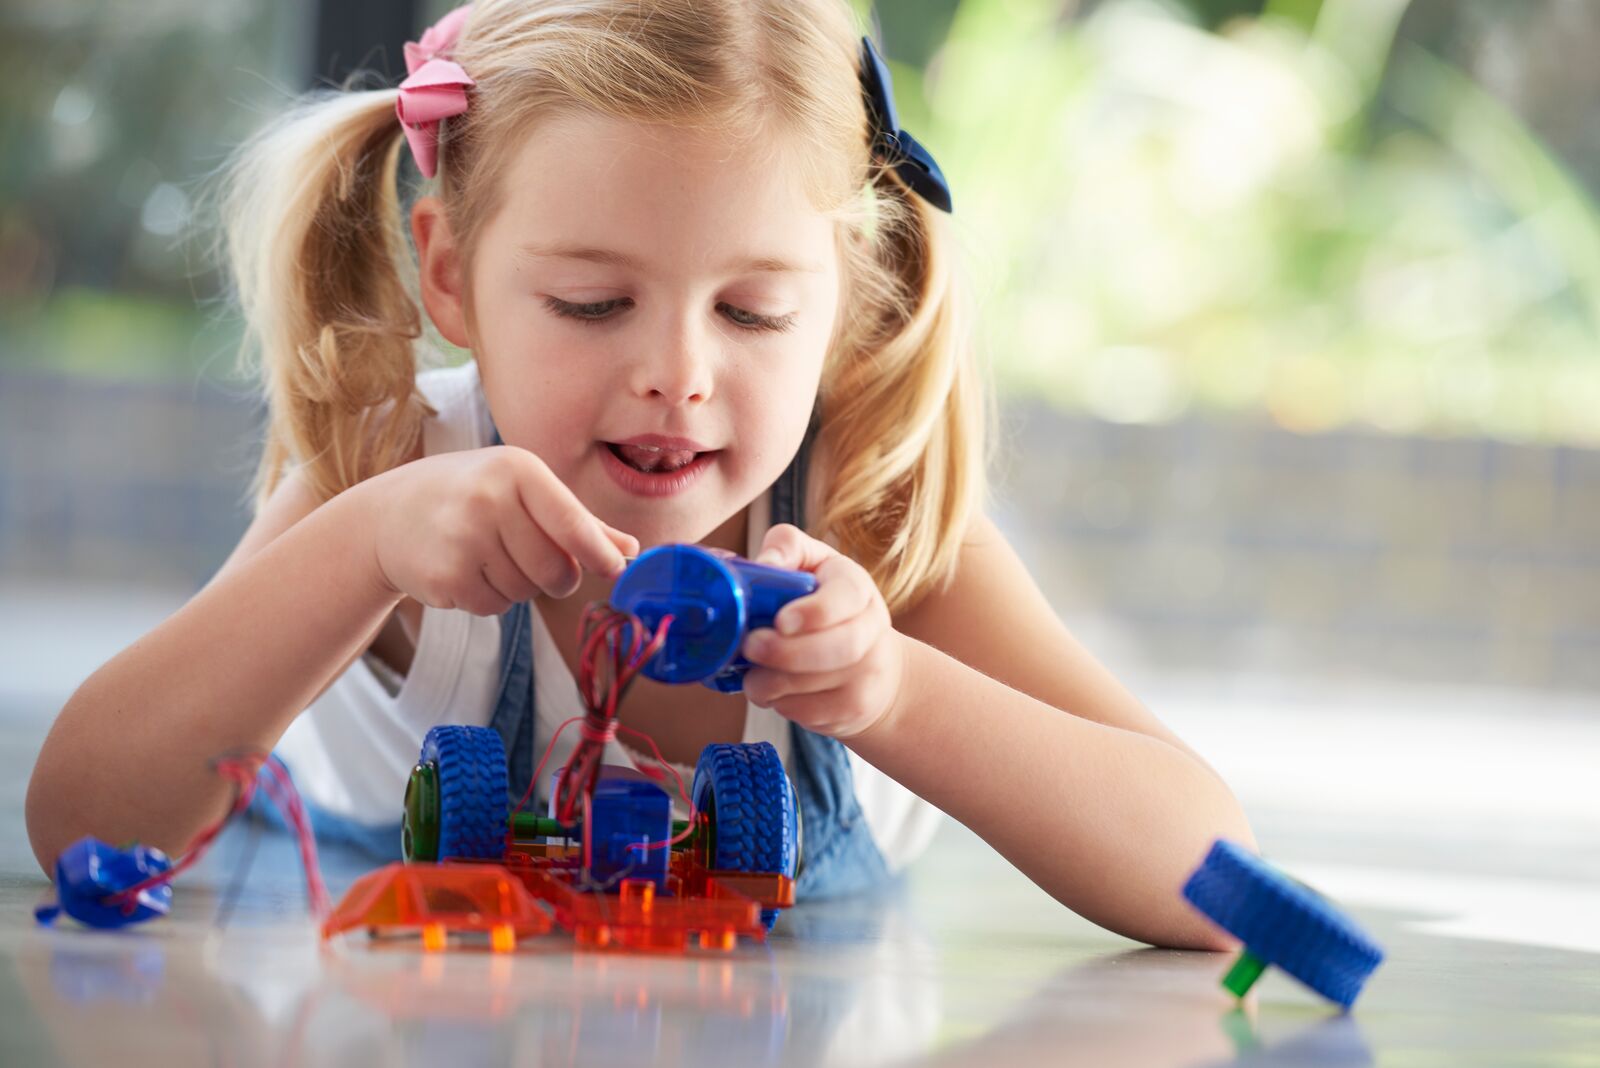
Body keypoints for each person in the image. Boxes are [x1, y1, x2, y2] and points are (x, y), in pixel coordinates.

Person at [26, 0, 1253, 949]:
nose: (677, 374)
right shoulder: (387, 474)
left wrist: (893, 692)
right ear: (448, 274)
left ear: (842, 300)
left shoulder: (870, 516)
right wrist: (358, 548)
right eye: (593, 302)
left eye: (756, 313)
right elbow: (81, 824)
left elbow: (1216, 879)